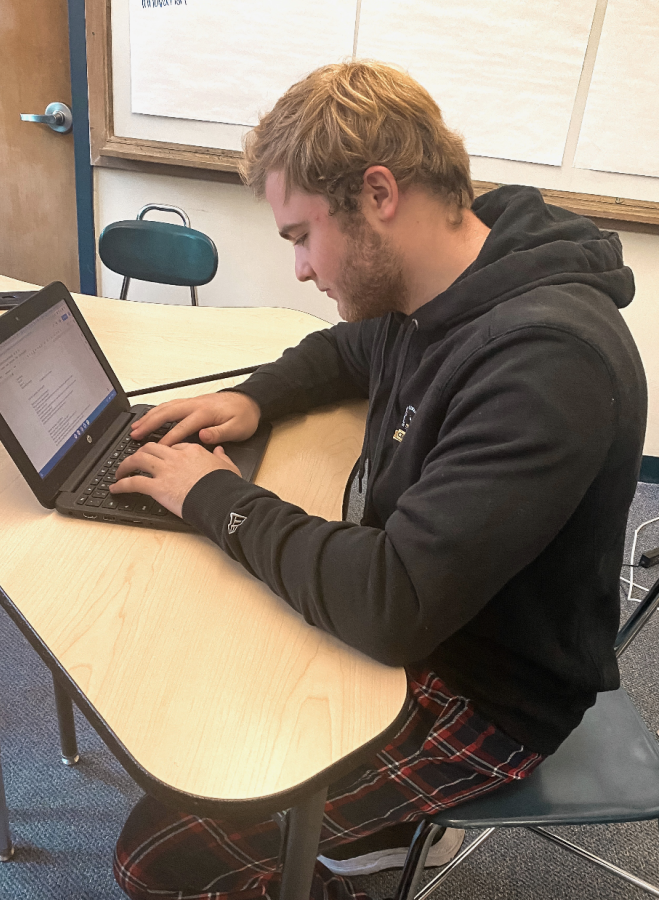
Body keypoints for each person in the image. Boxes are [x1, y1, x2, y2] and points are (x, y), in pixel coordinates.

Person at [109, 61, 647, 900]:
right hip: (427, 616)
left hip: (486, 693)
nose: (296, 268)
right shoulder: (443, 281)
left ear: (378, 194)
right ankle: (363, 843)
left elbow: (387, 605)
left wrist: (209, 493)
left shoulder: (545, 363)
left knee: (157, 858)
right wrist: (253, 399)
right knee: (197, 683)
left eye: (299, 235)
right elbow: (350, 349)